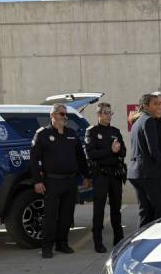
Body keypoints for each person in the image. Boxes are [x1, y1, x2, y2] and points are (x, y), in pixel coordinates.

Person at [30, 103, 90, 259]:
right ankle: (47, 247)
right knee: (50, 216)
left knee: (66, 215)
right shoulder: (42, 134)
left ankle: (62, 243)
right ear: (53, 115)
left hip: (70, 182)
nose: (65, 117)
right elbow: (34, 159)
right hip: (51, 181)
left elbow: (80, 157)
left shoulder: (71, 133)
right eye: (62, 114)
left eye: (66, 114)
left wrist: (86, 176)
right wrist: (37, 181)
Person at [128, 93, 161, 227]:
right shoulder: (148, 121)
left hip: (136, 173)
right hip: (147, 173)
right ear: (146, 106)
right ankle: (158, 244)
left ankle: (139, 243)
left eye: (160, 103)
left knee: (146, 212)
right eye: (155, 104)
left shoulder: (137, 122)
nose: (159, 106)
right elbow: (153, 150)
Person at [86, 102, 126, 253]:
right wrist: (110, 150)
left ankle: (118, 237)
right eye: (106, 113)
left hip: (115, 175)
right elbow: (91, 154)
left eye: (110, 113)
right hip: (101, 175)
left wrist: (118, 150)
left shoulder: (115, 131)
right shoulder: (92, 132)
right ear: (99, 115)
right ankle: (98, 241)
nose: (109, 116)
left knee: (116, 208)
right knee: (99, 210)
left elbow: (123, 152)